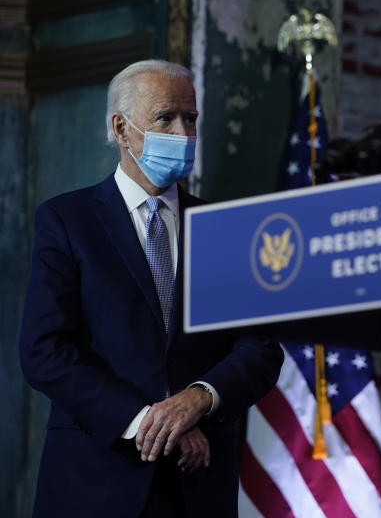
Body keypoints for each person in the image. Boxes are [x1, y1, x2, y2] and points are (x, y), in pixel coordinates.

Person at [19, 60, 284, 517]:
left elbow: (260, 347)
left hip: (197, 488)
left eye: (192, 119)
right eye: (166, 118)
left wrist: (198, 399)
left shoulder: (225, 227)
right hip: (95, 483)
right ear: (121, 129)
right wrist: (152, 421)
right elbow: (44, 351)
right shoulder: (67, 220)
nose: (183, 133)